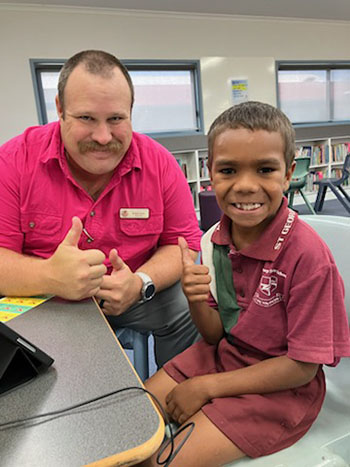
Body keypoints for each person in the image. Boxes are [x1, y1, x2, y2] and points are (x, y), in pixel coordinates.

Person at [140, 101, 350, 466]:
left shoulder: (308, 257)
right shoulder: (216, 239)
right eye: (229, 170)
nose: (246, 185)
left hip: (282, 390)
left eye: (265, 169)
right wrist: (194, 297)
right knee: (126, 427)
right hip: (223, 358)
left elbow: (302, 367)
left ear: (288, 173)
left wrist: (206, 389)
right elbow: (215, 335)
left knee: (158, 462)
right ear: (210, 173)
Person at [0, 50, 202, 367]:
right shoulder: (13, 162)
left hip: (134, 298)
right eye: (86, 118)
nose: (103, 136)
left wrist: (140, 282)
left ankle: (174, 397)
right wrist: (49, 276)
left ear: (131, 113)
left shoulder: (160, 164)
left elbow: (184, 244)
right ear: (60, 109)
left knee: (190, 305)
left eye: (116, 119)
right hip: (45, 300)